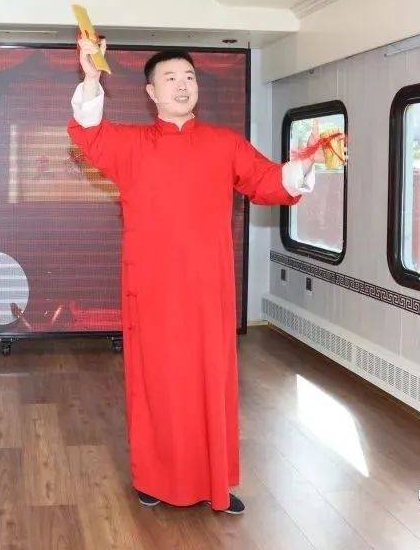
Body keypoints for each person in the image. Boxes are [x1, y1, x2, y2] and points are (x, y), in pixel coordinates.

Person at [66, 35, 320, 515]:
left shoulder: (224, 144)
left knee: (211, 383)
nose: (182, 85)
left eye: (189, 77)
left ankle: (214, 482)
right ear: (151, 93)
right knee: (158, 385)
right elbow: (89, 133)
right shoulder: (131, 144)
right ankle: (154, 479)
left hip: (209, 289)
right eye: (170, 78)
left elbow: (268, 181)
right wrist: (92, 76)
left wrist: (301, 166)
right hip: (152, 289)